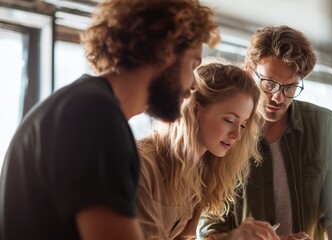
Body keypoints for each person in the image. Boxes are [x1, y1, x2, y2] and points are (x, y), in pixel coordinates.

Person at [0, 0, 219, 239]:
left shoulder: (82, 105)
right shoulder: (95, 116)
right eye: (193, 64)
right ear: (165, 52)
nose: (194, 85)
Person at [197, 26, 332, 240]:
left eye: (290, 87)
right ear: (248, 72)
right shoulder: (226, 133)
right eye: (269, 84)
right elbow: (210, 226)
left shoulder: (326, 125)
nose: (278, 97)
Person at [135, 61, 266, 239]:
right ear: (196, 109)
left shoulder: (202, 172)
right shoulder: (140, 165)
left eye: (243, 124)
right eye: (229, 120)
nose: (237, 135)